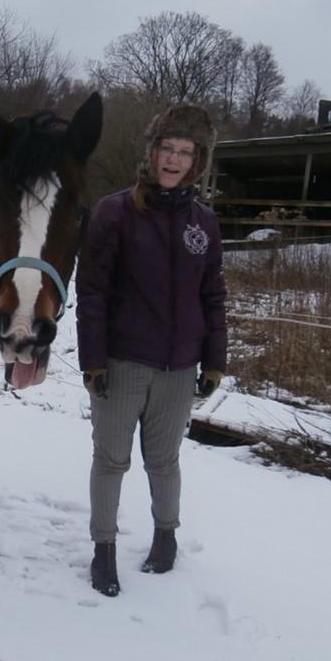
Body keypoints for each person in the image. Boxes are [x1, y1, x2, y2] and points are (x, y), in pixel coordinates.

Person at [74, 103, 228, 597]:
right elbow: (92, 292)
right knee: (111, 460)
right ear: (152, 152)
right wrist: (92, 359)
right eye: (168, 148)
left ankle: (166, 537)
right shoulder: (114, 212)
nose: (174, 159)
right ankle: (104, 549)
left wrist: (215, 360)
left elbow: (213, 296)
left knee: (164, 461)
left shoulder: (203, 222)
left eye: (186, 152)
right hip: (122, 363)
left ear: (197, 161)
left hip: (179, 367)